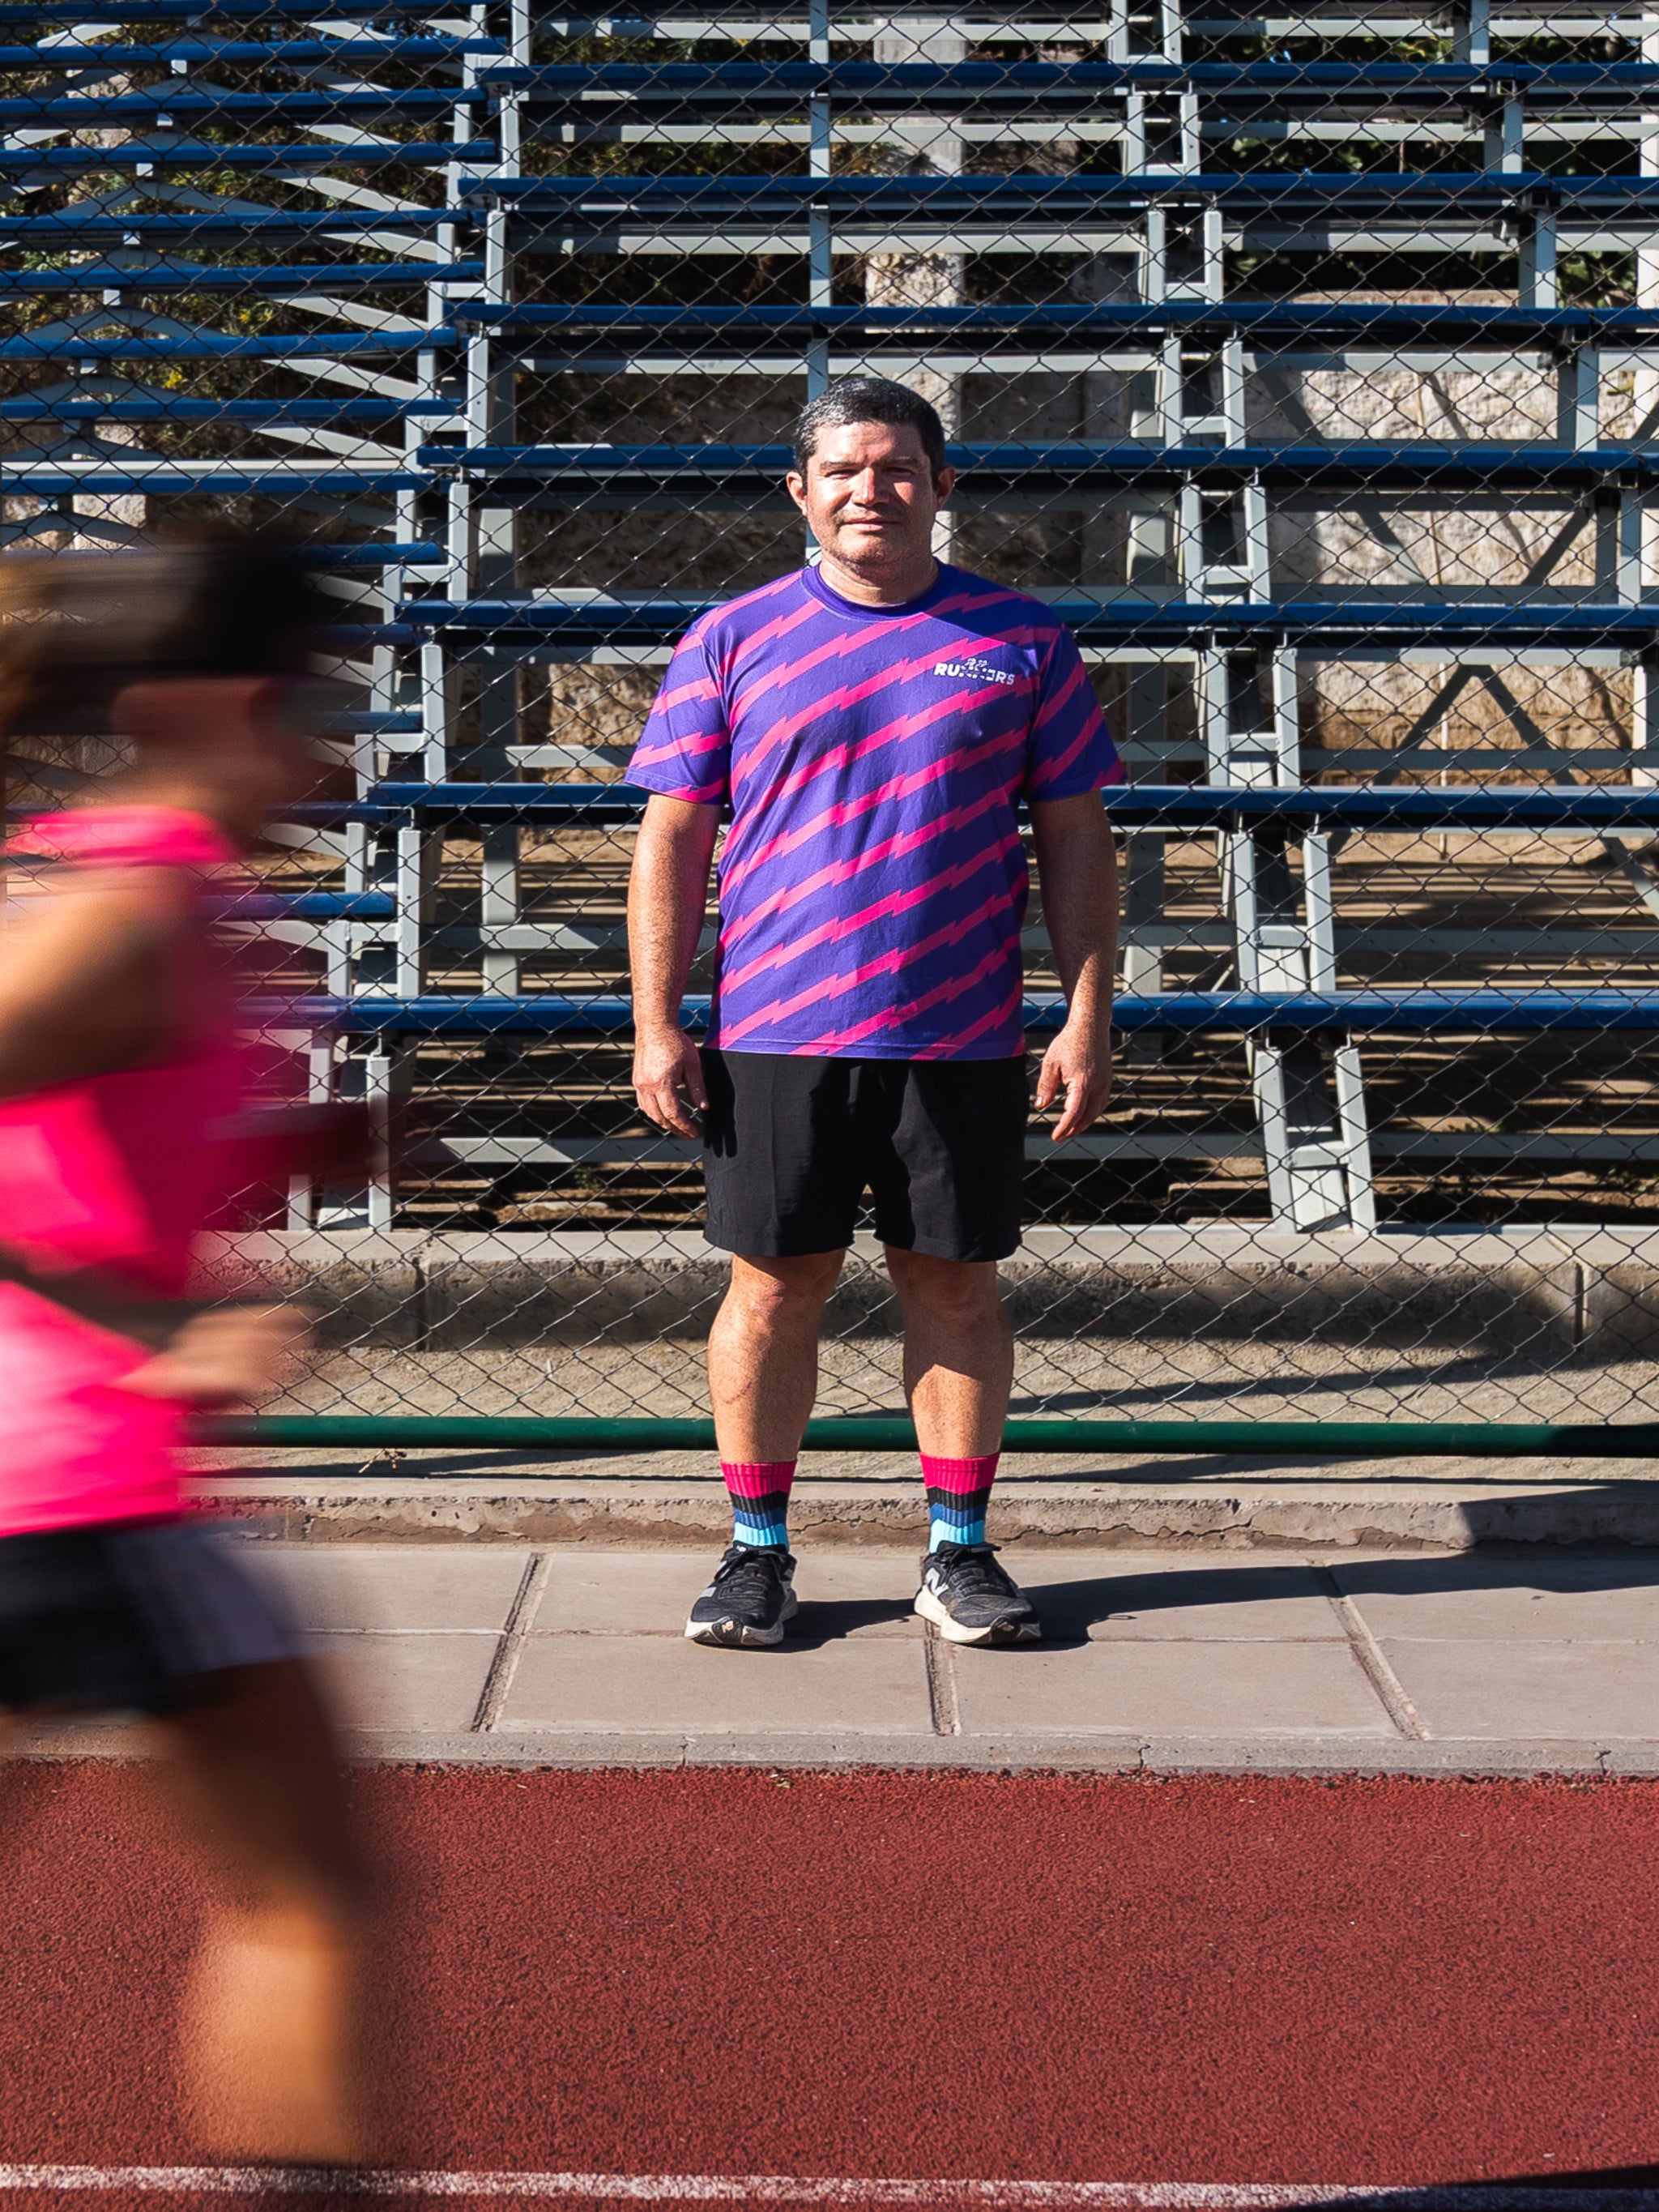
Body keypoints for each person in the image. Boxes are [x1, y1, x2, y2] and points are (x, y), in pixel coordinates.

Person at [627, 377, 1123, 1650]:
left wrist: (1086, 1013)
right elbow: (672, 836)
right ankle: (756, 1552)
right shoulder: (731, 637)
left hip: (959, 1029)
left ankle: (958, 1551)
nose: (871, 489)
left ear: (941, 484)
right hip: (776, 1028)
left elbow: (1076, 836)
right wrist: (656, 1021)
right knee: (770, 1289)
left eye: (896, 465)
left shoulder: (1022, 639)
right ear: (800, 492)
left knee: (954, 1289)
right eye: (842, 469)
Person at [0, 535, 370, 2164]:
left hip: (74, 1489)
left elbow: (89, 1134)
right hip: (74, 1488)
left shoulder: (143, 884)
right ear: (203, 708)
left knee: (308, 1894)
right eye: (303, 705)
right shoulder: (132, 905)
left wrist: (308, 1144)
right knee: (309, 1900)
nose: (326, 752)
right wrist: (145, 1321)